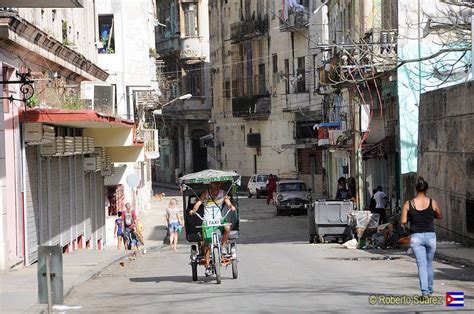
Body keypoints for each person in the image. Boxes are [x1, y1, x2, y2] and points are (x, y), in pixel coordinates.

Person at [400, 176, 442, 297]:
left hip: (416, 237)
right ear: (426, 189)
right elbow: (439, 215)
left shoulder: (408, 203)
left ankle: (424, 292)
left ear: (416, 189)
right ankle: (430, 289)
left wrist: (409, 217)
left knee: (421, 265)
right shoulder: (432, 202)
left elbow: (403, 221)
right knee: (429, 264)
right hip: (430, 237)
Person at [189, 181, 237, 276]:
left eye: (219, 184)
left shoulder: (223, 193)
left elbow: (228, 202)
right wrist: (194, 210)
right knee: (206, 245)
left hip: (219, 219)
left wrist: (231, 207)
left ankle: (223, 246)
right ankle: (207, 266)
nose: (217, 185)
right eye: (215, 184)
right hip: (208, 220)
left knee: (227, 227)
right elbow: (199, 202)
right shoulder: (206, 193)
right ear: (211, 184)